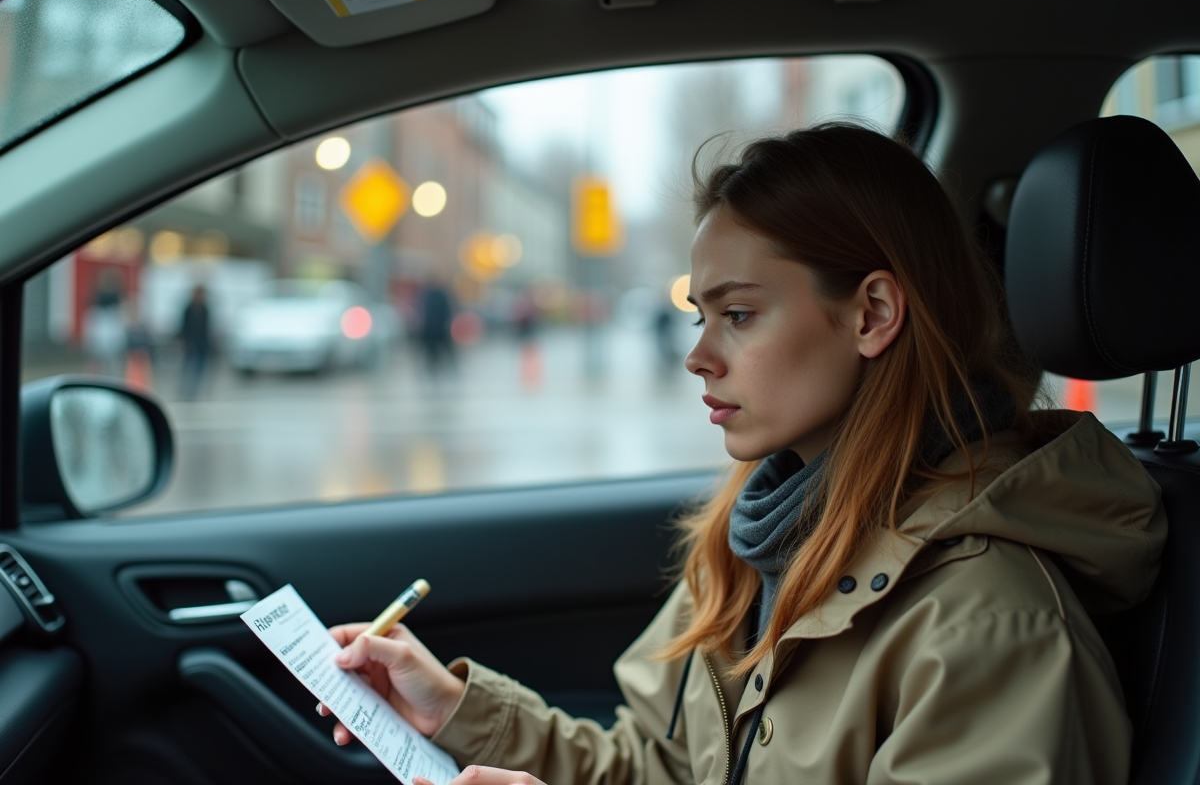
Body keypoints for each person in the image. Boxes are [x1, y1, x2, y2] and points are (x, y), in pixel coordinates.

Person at [317, 124, 1166, 784]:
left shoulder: (991, 624)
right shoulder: (757, 537)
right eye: (700, 315)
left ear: (872, 314)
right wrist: (458, 710)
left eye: (741, 314)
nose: (698, 356)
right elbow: (660, 770)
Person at [178, 284, 212, 400]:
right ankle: (185, 389)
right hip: (190, 343)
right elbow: (183, 326)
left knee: (200, 368)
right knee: (188, 367)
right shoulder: (189, 308)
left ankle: (194, 390)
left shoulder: (205, 308)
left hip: (202, 343)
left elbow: (207, 327)